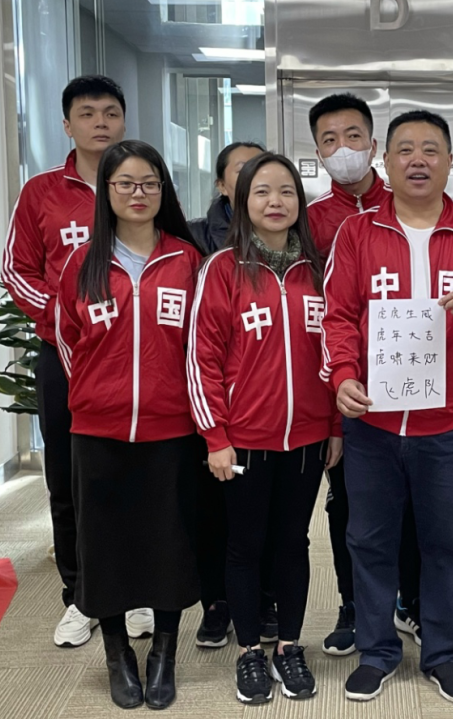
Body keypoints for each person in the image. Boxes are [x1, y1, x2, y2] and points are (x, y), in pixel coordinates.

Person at [322, 110, 453, 704]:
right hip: (372, 424)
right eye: (404, 149)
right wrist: (343, 376)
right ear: (385, 161)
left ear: (451, 162)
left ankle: (443, 653)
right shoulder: (356, 233)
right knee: (369, 540)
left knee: (446, 541)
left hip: (446, 425)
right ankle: (377, 651)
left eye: (431, 149)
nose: (417, 160)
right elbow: (337, 316)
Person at [1, 75, 155, 647]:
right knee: (69, 480)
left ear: (123, 120)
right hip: (65, 359)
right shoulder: (42, 192)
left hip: (136, 359)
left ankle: (138, 590)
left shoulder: (139, 185)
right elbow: (17, 270)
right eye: (87, 113)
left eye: (110, 112)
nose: (100, 123)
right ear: (67, 125)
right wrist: (68, 320)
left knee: (139, 475)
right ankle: (80, 595)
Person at [55, 140, 205, 710]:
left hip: (172, 429)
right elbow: (68, 340)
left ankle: (164, 652)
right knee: (105, 545)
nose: (138, 193)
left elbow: (204, 345)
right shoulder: (83, 262)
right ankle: (117, 653)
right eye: (125, 183)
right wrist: (98, 397)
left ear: (163, 190)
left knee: (169, 540)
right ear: (107, 191)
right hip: (99, 431)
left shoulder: (187, 260)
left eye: (149, 183)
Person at [189, 152, 342, 704]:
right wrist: (216, 436)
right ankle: (250, 650)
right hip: (244, 439)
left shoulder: (319, 270)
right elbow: (202, 358)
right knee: (245, 544)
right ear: (240, 201)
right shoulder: (221, 268)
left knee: (293, 543)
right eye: (261, 192)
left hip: (307, 437)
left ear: (300, 202)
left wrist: (334, 425)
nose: (275, 202)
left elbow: (336, 351)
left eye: (286, 191)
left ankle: (289, 647)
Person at [305, 93, 418, 657]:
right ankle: (354, 604)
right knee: (349, 505)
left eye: (353, 136)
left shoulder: (409, 207)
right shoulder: (311, 222)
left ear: (374, 145)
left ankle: (412, 599)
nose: (343, 148)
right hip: (346, 387)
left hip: (416, 383)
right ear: (318, 153)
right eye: (329, 140)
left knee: (416, 504)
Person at [186, 139, 269, 652]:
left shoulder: (295, 246)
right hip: (214, 403)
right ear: (221, 184)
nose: (253, 179)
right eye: (242, 170)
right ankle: (217, 603)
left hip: (272, 414)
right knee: (217, 515)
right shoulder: (197, 240)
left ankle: (265, 603)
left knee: (270, 521)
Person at [188, 141, 265, 255]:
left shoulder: (288, 229)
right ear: (222, 186)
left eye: (262, 170)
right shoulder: (193, 235)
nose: (255, 177)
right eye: (242, 171)